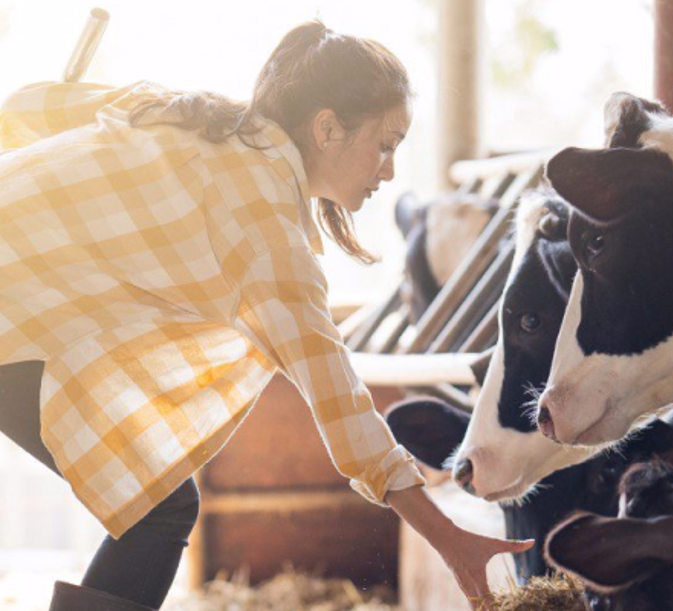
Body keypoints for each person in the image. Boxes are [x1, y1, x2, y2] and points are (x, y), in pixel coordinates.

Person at [0, 20, 531, 610]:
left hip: (19, 315)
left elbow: (28, 105)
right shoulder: (267, 232)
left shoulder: (194, 115)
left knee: (160, 504)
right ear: (327, 127)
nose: (389, 171)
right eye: (385, 144)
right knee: (163, 509)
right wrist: (452, 540)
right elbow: (345, 410)